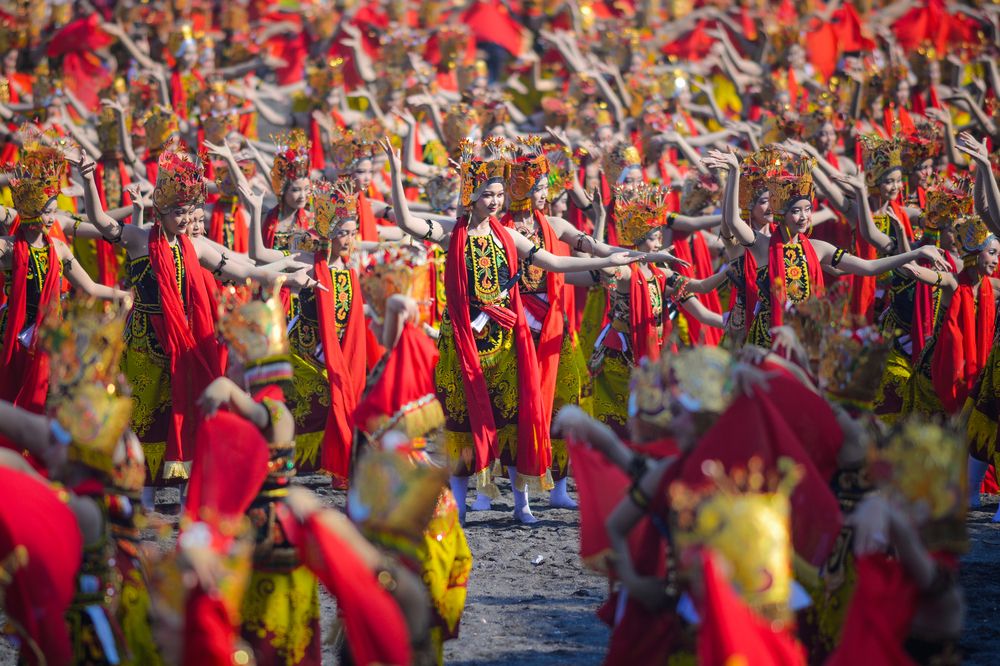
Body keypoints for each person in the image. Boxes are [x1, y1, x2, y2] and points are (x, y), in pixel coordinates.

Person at [381, 136, 642, 524]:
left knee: (514, 420)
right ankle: (460, 505)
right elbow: (406, 222)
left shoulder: (507, 236)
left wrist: (614, 258)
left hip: (504, 340)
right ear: (471, 196)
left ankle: (522, 504)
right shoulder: (453, 231)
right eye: (488, 194)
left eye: (500, 195)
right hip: (463, 340)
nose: (495, 201)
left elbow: (554, 263)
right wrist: (396, 172)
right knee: (461, 421)